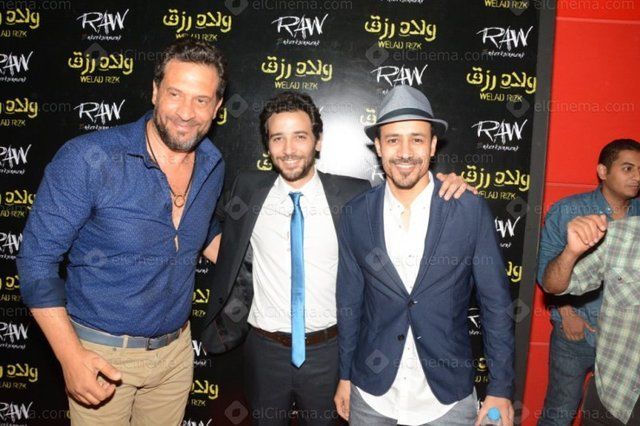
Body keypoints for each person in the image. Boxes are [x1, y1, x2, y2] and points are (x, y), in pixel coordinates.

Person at [200, 90, 472, 425]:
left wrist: (447, 184)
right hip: (263, 350)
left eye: (300, 136)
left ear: (318, 141)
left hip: (330, 352)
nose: (289, 149)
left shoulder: (353, 196)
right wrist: (226, 257)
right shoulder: (247, 188)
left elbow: (409, 193)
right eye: (278, 138)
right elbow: (204, 219)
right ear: (267, 146)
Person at [16, 39, 226, 425]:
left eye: (201, 100)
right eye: (175, 94)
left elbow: (200, 227)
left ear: (217, 107)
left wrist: (262, 266)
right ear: (155, 91)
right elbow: (36, 262)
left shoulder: (213, 163)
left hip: (176, 357)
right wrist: (70, 356)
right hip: (101, 357)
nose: (186, 112)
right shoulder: (88, 159)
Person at [333, 85, 515, 426]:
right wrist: (345, 375)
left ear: (432, 146)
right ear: (378, 147)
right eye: (393, 140)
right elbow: (349, 301)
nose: (405, 152)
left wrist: (501, 388)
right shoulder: (356, 214)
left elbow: (495, 304)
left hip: (446, 400)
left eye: (416, 139)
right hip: (372, 394)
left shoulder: (468, 209)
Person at [536, 139, 640, 425]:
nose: (637, 177)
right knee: (560, 412)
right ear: (603, 171)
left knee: (615, 413)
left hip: (625, 345)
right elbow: (546, 271)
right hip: (577, 334)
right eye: (628, 168)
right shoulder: (568, 210)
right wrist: (566, 314)